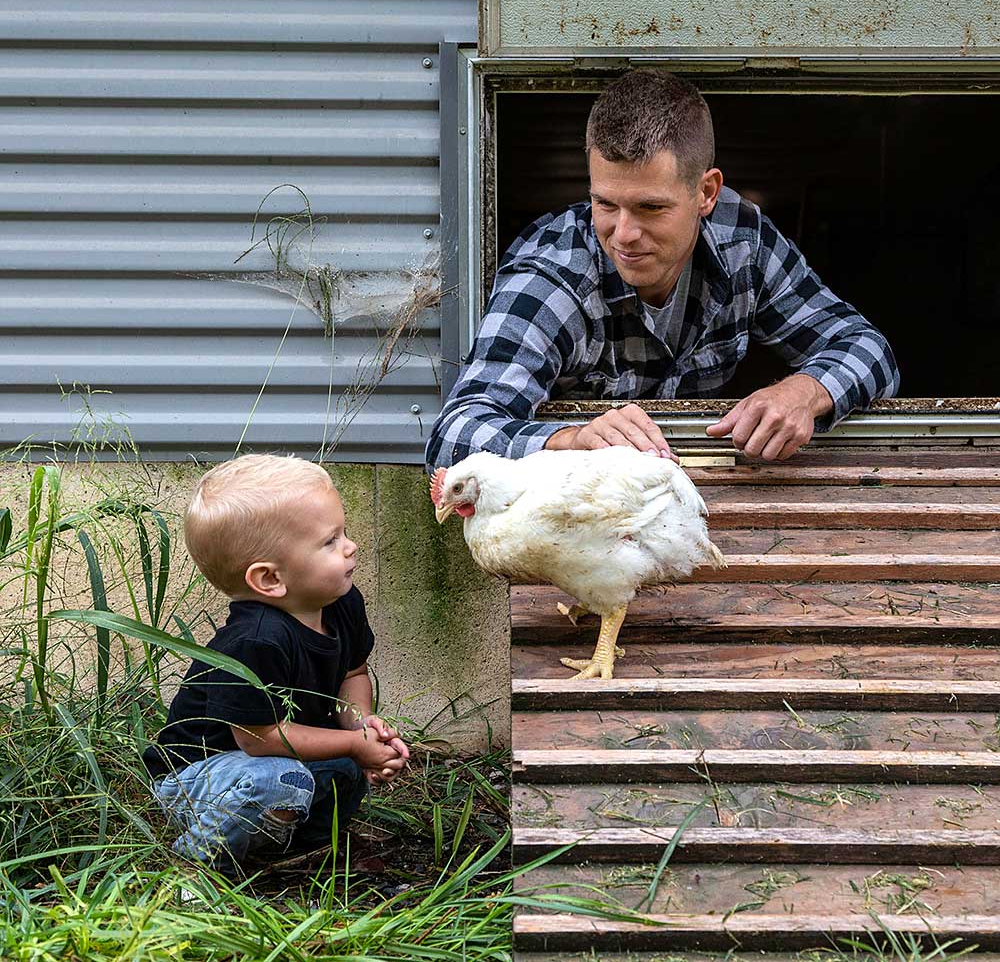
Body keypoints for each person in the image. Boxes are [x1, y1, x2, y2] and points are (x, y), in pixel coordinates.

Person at [427, 71, 899, 470]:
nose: (623, 233)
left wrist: (805, 391)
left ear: (706, 193)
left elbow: (868, 349)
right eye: (604, 203)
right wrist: (570, 441)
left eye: (651, 207)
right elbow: (453, 438)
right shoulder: (552, 274)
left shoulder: (744, 243)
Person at [142, 454, 409, 875]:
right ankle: (194, 866)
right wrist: (354, 745)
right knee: (280, 780)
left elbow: (352, 675)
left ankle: (290, 855)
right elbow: (259, 739)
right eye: (330, 542)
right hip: (197, 776)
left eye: (344, 533)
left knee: (345, 773)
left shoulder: (341, 603)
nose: (350, 546)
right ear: (269, 579)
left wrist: (363, 728)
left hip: (273, 762)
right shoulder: (256, 640)